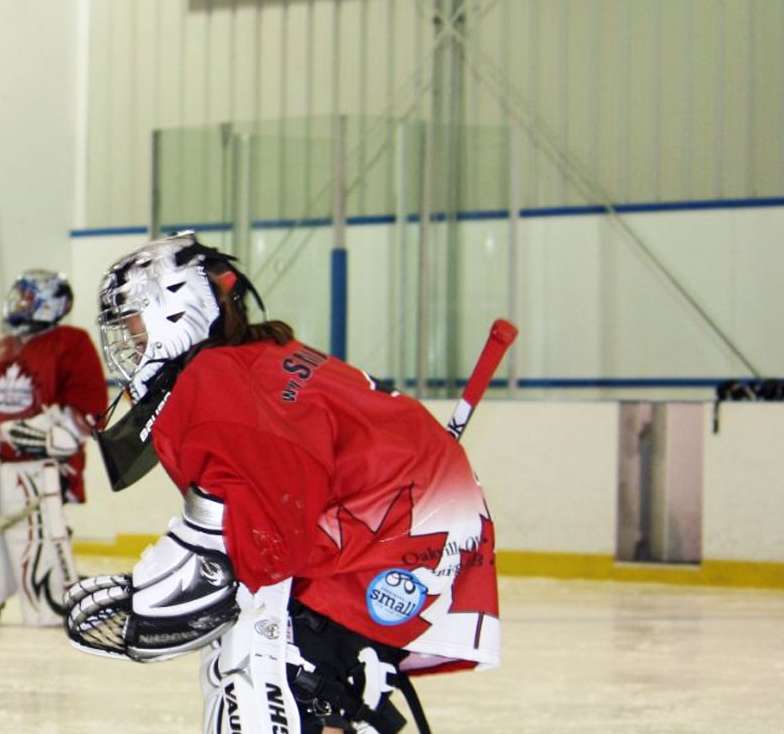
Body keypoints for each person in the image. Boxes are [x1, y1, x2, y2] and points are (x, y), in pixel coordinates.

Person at [65, 233, 499, 734]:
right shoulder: (258, 358)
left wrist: (144, 602)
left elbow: (246, 549)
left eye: (134, 322)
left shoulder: (216, 379)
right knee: (305, 651)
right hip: (418, 545)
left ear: (175, 309)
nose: (127, 343)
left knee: (257, 644)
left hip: (389, 547)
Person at [0, 269, 108, 626]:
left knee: (29, 530)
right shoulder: (5, 344)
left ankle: (47, 598)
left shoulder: (72, 341)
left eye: (26, 298)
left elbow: (88, 407)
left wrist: (50, 434)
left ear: (51, 304)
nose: (18, 305)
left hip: (36, 465)